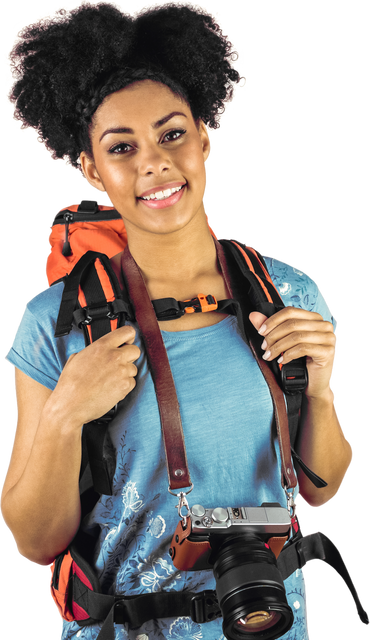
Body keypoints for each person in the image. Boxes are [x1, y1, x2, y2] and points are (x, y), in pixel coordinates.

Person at [1, 1, 354, 639]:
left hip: (271, 623)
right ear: (90, 169)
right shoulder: (55, 321)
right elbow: (32, 539)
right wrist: (63, 415)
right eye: (121, 148)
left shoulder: (286, 291)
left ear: (204, 138)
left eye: (172, 134)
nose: (153, 163)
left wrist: (323, 389)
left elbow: (321, 489)